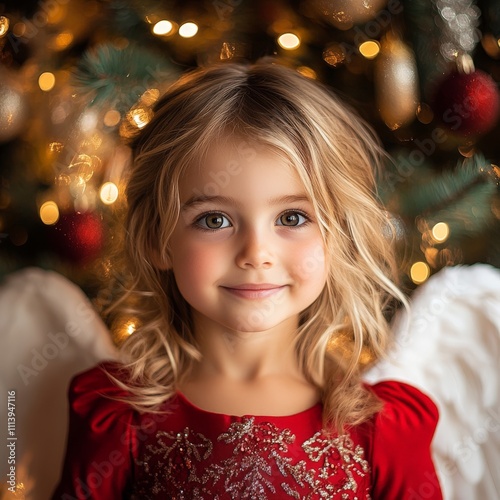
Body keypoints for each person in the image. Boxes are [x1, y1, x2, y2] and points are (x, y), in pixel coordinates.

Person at [52, 59, 443, 499]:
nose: (256, 253)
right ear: (157, 239)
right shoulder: (118, 414)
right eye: (214, 219)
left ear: (339, 238)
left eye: (292, 217)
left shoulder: (381, 428)